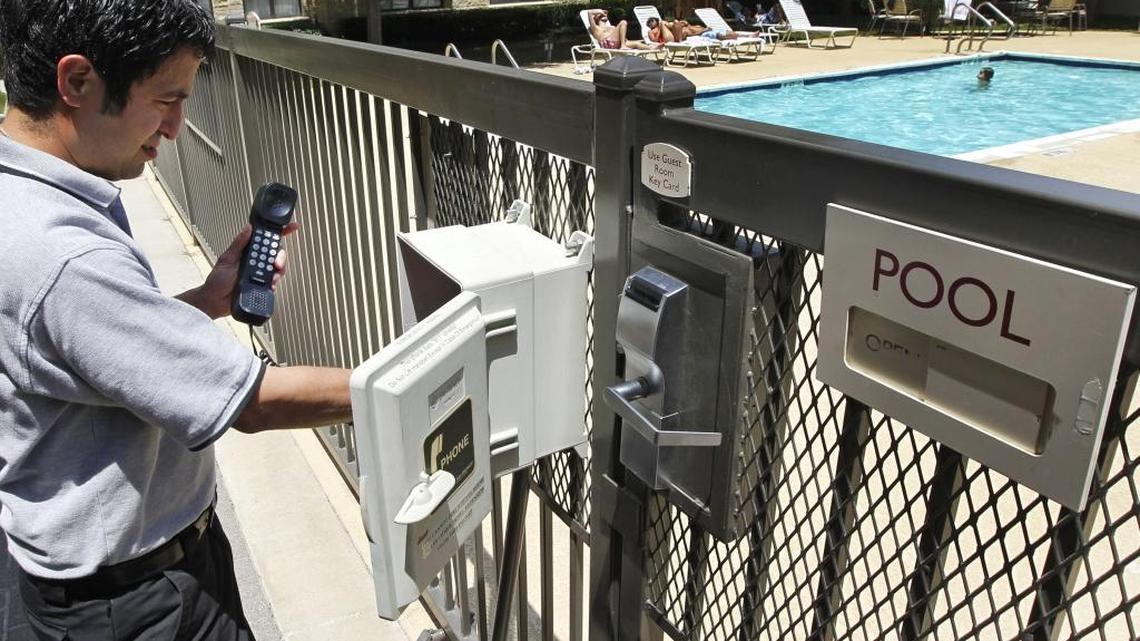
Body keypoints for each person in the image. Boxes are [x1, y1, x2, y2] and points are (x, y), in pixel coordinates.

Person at [0, 1, 357, 638]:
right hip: (133, 602)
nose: (176, 126)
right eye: (167, 99)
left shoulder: (26, 193)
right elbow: (252, 403)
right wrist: (428, 385)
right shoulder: (67, 255)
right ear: (77, 81)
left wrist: (205, 301)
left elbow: (85, 352)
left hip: (103, 578)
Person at [588, 8, 660, 50]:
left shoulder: (611, 27)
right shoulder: (595, 28)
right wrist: (600, 11)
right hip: (608, 44)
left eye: (604, 14)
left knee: (636, 44)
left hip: (616, 43)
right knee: (623, 22)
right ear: (596, 18)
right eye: (600, 15)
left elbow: (621, 37)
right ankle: (623, 46)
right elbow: (589, 13)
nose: (603, 14)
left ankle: (651, 48)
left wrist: (626, 41)